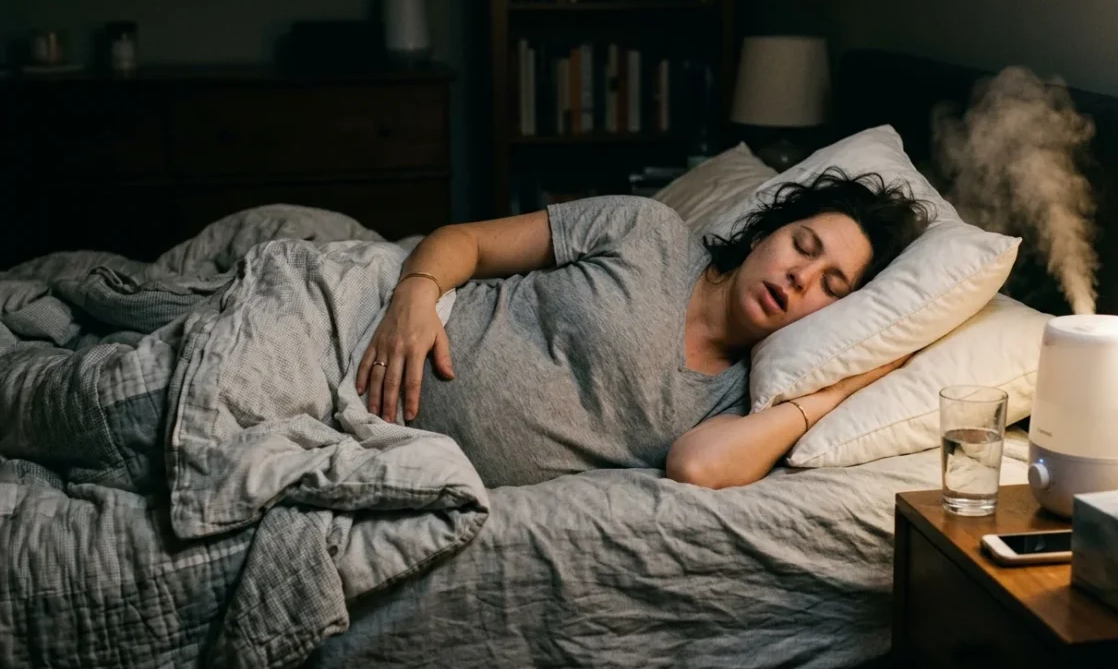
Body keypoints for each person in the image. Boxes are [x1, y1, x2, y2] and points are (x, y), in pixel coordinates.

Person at [356, 168, 933, 489]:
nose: (801, 276)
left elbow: (695, 467)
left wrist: (837, 390)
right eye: (801, 246)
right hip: (362, 326)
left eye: (832, 287)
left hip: (384, 447)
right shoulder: (647, 231)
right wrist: (417, 291)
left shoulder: (746, 395)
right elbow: (469, 241)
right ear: (765, 235)